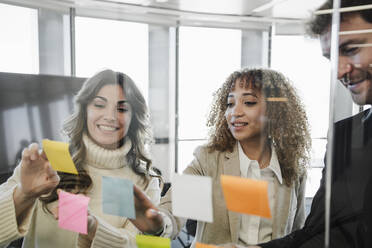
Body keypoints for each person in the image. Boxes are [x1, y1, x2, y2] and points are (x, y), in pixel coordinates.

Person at [242, 0, 372, 247]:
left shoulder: (290, 161)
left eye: (352, 49)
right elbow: (322, 232)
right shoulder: (345, 135)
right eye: (332, 58)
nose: (340, 71)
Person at [0, 69, 164, 247]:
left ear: (134, 117)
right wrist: (24, 195)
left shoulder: (143, 179)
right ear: (84, 110)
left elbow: (140, 244)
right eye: (99, 105)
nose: (110, 117)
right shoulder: (47, 161)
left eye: (122, 109)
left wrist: (94, 229)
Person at [160, 68, 312, 246]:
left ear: (275, 111)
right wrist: (157, 220)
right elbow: (175, 208)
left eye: (248, 102)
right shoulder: (208, 159)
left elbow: (296, 236)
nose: (235, 112)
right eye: (230, 104)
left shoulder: (292, 168)